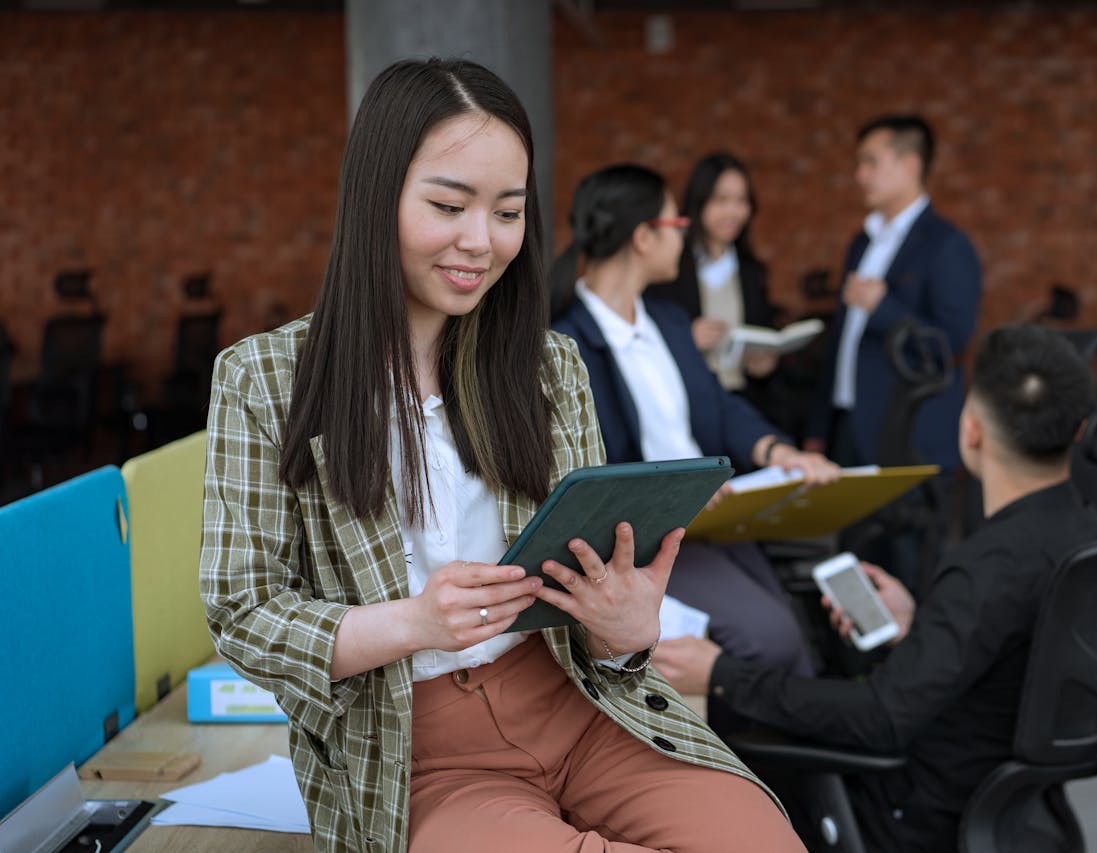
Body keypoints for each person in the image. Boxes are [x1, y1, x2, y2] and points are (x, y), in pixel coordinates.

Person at [199, 58, 804, 853]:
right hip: (417, 749)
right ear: (377, 195)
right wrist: (412, 621)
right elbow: (243, 611)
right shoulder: (264, 378)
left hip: (581, 706)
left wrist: (623, 628)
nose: (480, 243)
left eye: (508, 212)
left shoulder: (551, 367)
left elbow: (596, 600)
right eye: (448, 205)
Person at [655, 324, 1097, 853]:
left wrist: (721, 673)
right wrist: (921, 629)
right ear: (1077, 432)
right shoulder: (1087, 531)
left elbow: (880, 719)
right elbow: (1024, 656)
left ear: (972, 431)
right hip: (1017, 803)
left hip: (919, 814)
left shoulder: (986, 567)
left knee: (734, 775)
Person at [548, 163, 842, 730]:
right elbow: (586, 466)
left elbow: (719, 408)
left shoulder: (669, 321)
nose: (684, 236)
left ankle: (808, 783)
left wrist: (778, 453)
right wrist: (678, 494)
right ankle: (772, 775)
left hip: (717, 518)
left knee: (798, 629)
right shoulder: (566, 343)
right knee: (770, 638)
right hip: (651, 536)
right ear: (643, 235)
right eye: (677, 222)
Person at [805, 114, 982, 472]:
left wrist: (883, 309)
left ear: (910, 164)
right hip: (848, 424)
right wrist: (818, 426)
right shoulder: (861, 242)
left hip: (907, 435)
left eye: (870, 162)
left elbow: (951, 345)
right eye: (859, 163)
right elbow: (843, 338)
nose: (860, 175)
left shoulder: (947, 245)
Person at [646, 152, 779, 411]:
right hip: (685, 403)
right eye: (721, 200)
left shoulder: (752, 272)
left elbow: (765, 335)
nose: (733, 211)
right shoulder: (669, 269)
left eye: (741, 201)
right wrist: (686, 339)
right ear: (700, 202)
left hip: (742, 403)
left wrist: (766, 364)